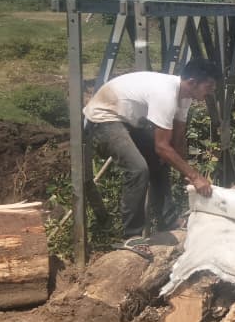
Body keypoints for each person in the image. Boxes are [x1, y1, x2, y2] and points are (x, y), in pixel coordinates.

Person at [84, 58, 223, 253]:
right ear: (192, 82)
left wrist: (185, 171)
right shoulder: (166, 94)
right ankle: (131, 236)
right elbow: (162, 146)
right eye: (208, 87)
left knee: (161, 162)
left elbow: (177, 140)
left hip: (127, 120)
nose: (211, 92)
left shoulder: (185, 96)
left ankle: (169, 221)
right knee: (138, 169)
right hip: (104, 118)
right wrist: (195, 176)